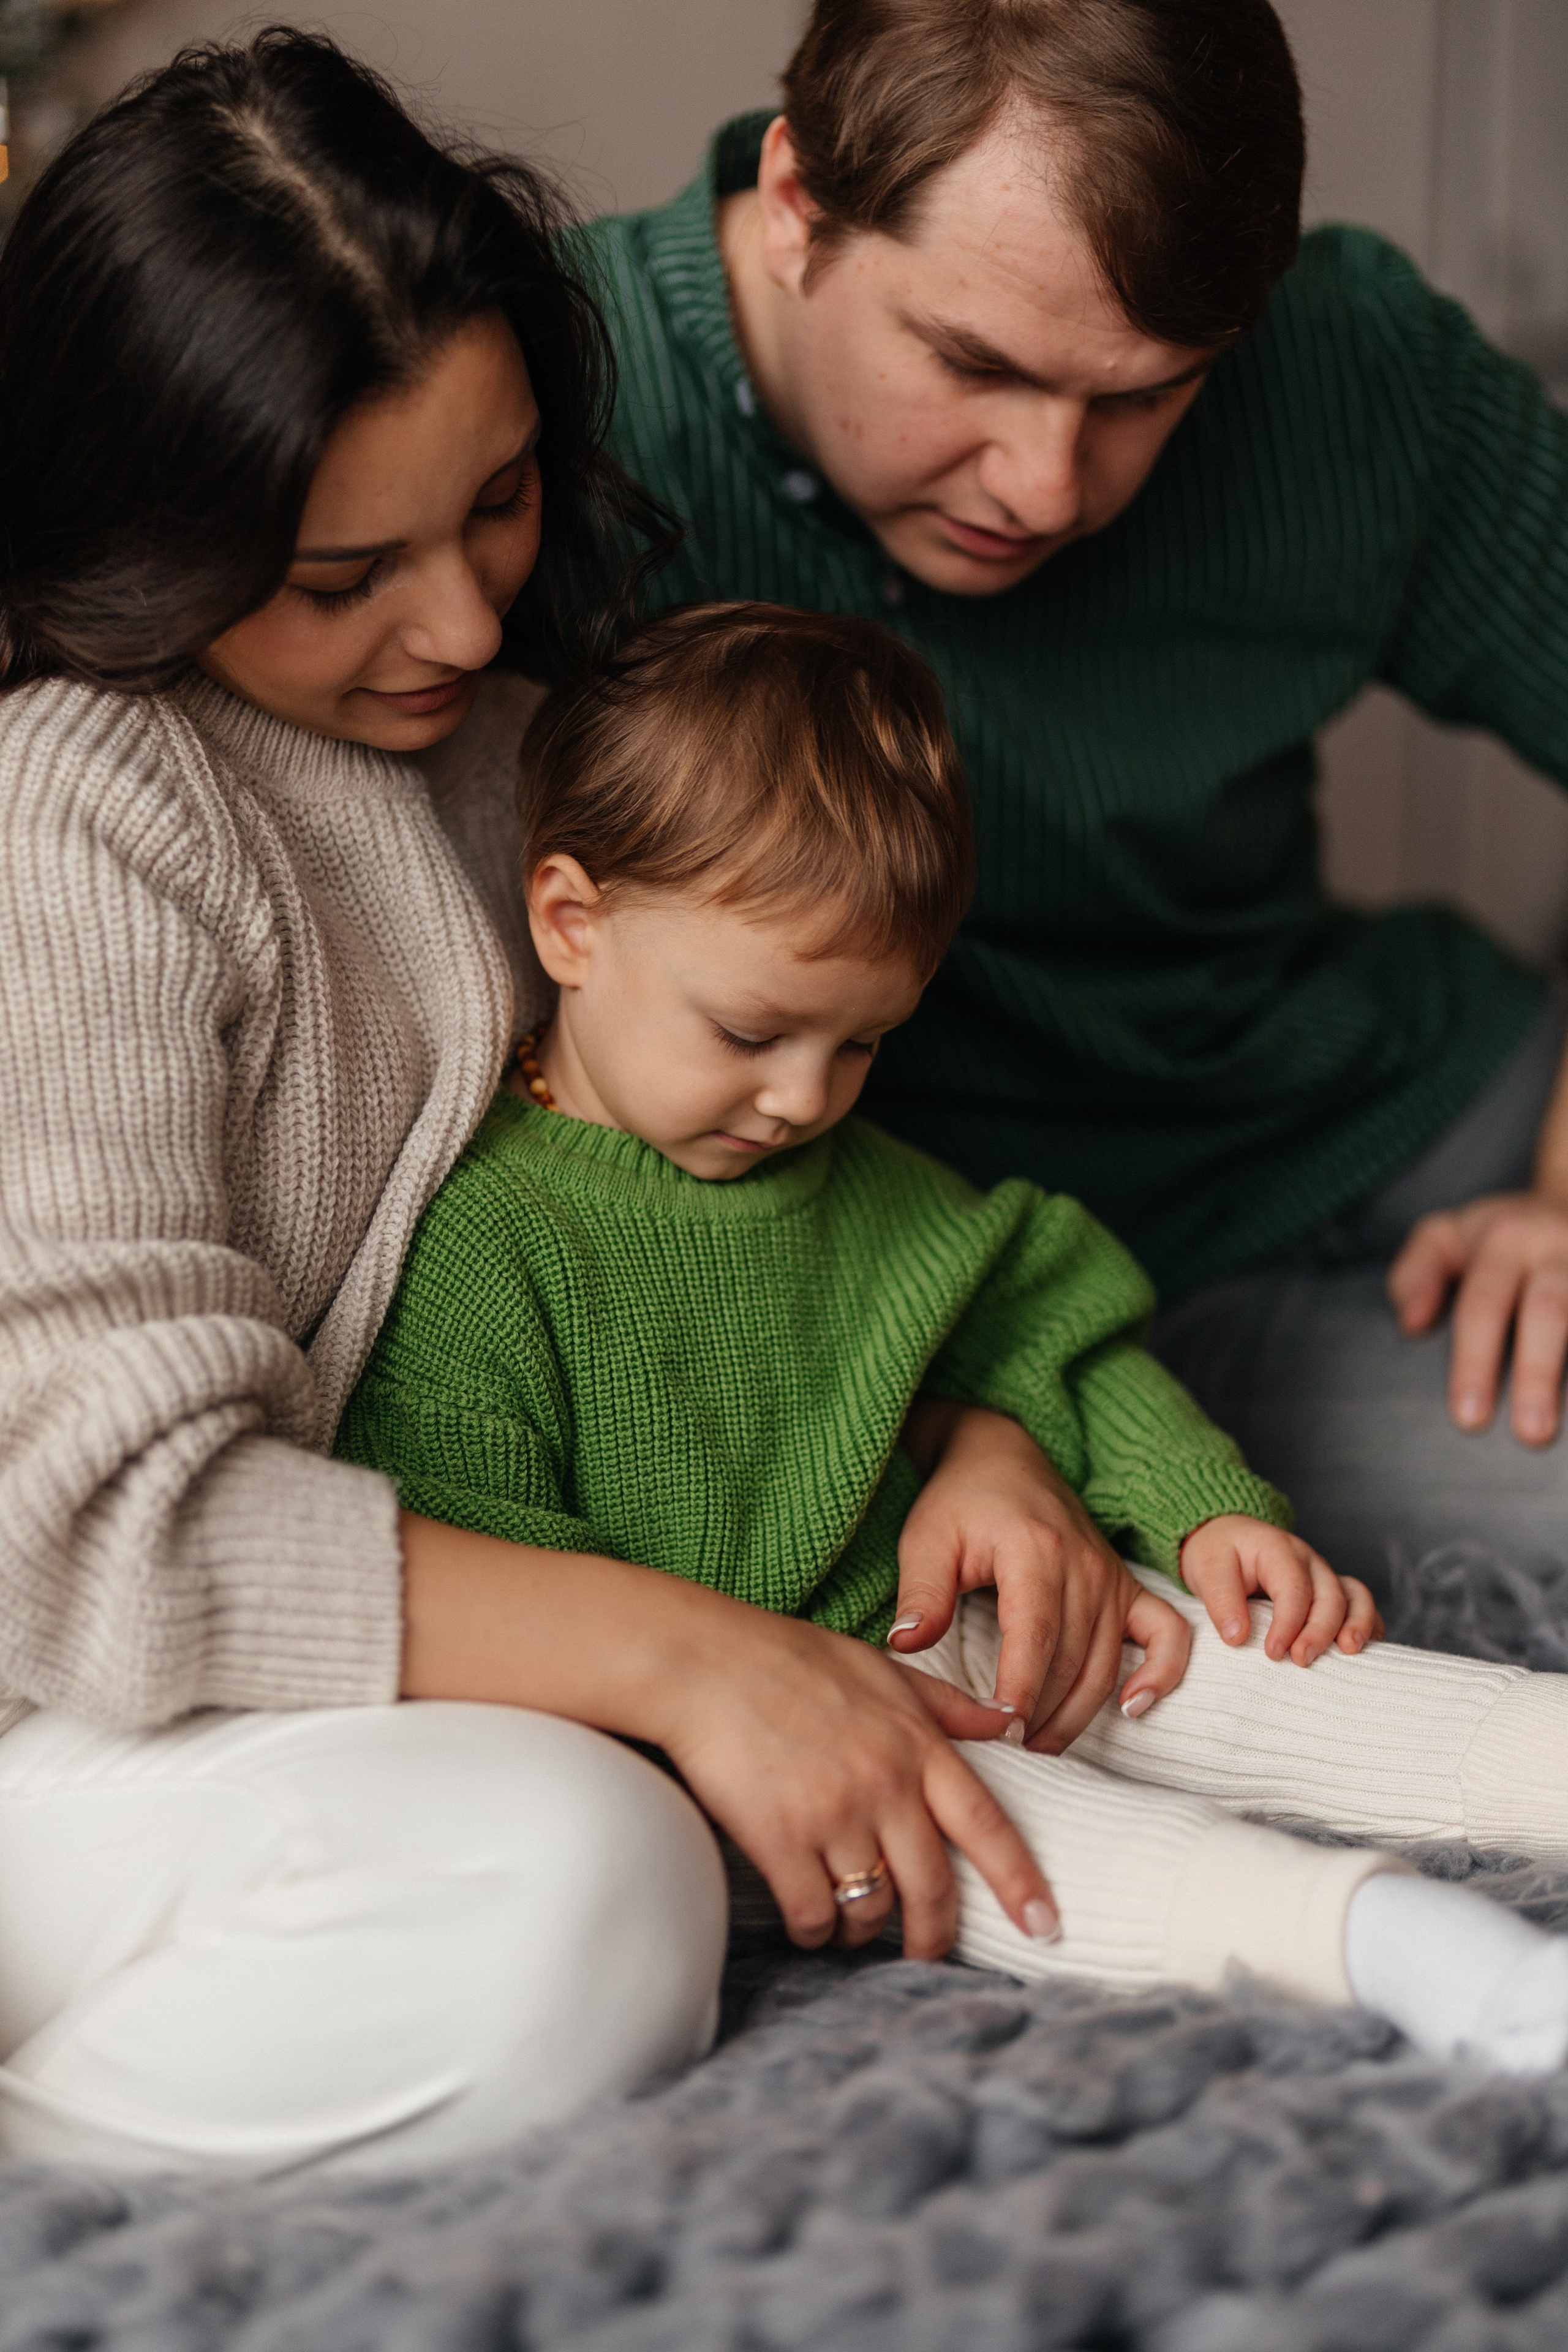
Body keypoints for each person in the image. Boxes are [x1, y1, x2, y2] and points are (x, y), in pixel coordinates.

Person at [0, 29, 1098, 2176]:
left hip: (321, 1707)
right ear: (150, 524)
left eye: (499, 501)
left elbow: (737, 1206)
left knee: (686, 1834)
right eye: (341, 579)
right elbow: (85, 1539)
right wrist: (681, 1657)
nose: (465, 612)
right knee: (593, 1879)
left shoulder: (536, 771)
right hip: (61, 1703)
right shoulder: (79, 810)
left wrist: (964, 1426)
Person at [340, 598, 1568, 2076]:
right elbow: (487, 1591)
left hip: (1006, 1606)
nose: (803, 1098)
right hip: (800, 1722)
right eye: (752, 1034)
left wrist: (1202, 1512)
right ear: (571, 923)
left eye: (859, 1044)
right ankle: (1428, 1962)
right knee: (1045, 1844)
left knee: (1288, 1680)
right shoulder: (484, 1244)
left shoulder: (856, 1178)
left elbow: (1049, 1331)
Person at [575, 0, 1568, 1613]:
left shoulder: (1348, 361)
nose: (1048, 486)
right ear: (798, 201)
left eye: (1147, 397)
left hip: (1411, 1118)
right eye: (972, 363)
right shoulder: (563, 424)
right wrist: (968, 1403)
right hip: (991, 1292)